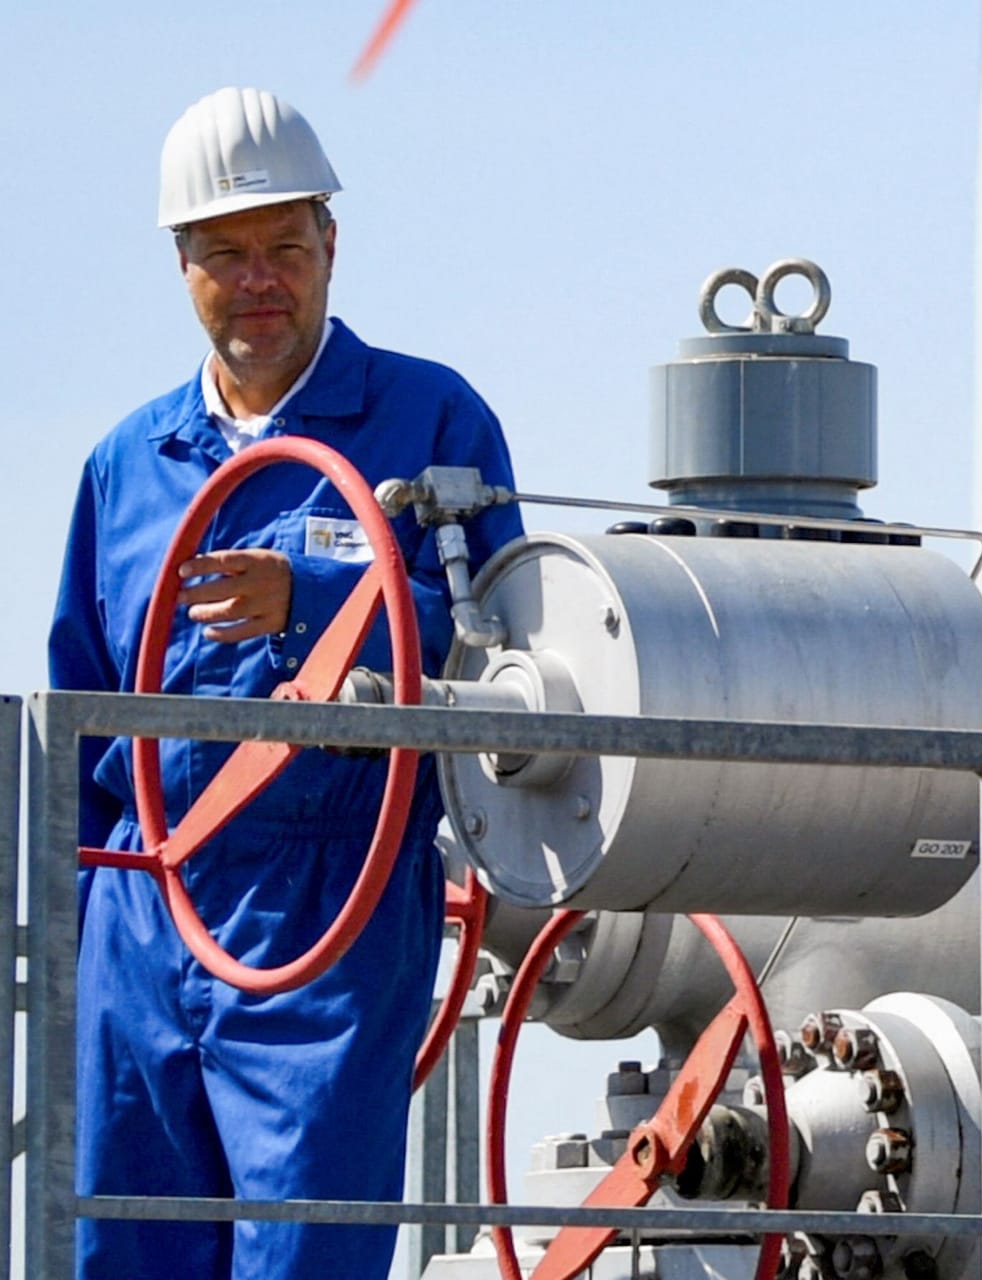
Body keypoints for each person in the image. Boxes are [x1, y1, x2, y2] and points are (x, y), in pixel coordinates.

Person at [47, 87, 524, 1279]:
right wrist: (78, 926)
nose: (259, 280)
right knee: (125, 1247)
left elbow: (511, 660)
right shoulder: (127, 463)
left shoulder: (430, 420)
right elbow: (79, 706)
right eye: (226, 255)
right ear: (182, 265)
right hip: (141, 914)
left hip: (334, 909)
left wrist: (313, 605)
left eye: (284, 249)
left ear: (331, 246)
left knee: (305, 1254)